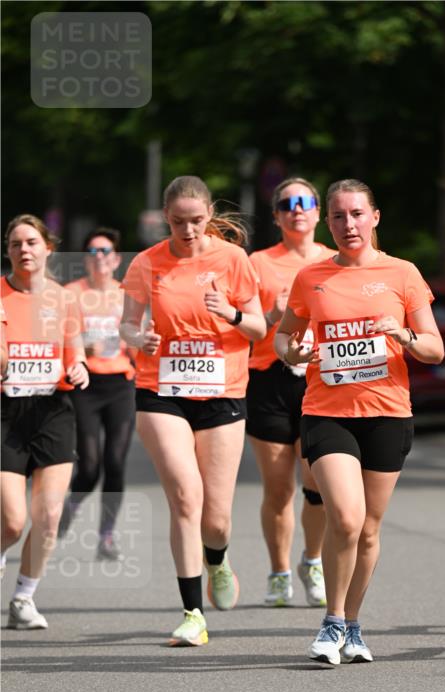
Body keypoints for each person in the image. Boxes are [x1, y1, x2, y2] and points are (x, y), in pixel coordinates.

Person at [275, 178, 444, 665]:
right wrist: (296, 352)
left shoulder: (403, 273)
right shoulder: (311, 277)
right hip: (327, 412)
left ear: (374, 217)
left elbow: (433, 349)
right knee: (345, 518)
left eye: (356, 214)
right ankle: (331, 621)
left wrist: (405, 334)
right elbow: (284, 338)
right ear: (328, 222)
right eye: (338, 216)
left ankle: (352, 623)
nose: (347, 224)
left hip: (388, 414)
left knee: (369, 529)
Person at [120, 175, 265, 646]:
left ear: (209, 216)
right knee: (185, 495)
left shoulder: (233, 259)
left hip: (223, 392)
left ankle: (217, 560)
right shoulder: (147, 263)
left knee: (216, 518)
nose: (188, 230)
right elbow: (126, 324)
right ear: (166, 218)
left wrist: (231, 313)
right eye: (179, 222)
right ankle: (192, 613)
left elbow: (260, 330)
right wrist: (137, 338)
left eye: (197, 221)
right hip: (161, 388)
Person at [248, 177, 333, 607]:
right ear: (277, 214)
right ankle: (279, 572)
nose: (297, 209)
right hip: (269, 377)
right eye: (287, 203)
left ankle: (312, 559)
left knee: (317, 481)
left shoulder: (336, 261)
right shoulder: (259, 263)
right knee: (279, 487)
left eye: (305, 202)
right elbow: (243, 328)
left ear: (318, 211)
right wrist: (274, 314)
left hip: (321, 376)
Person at [1, 214, 89, 628]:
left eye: (32, 242)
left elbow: (76, 351)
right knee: (12, 520)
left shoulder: (63, 298)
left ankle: (23, 598)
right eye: (16, 243)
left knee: (49, 515)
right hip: (6, 412)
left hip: (53, 409)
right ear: (8, 251)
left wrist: (81, 369)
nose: (24, 250)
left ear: (48, 248)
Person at [58, 227, 135, 560]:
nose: (99, 258)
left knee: (115, 462)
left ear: (116, 259)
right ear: (85, 261)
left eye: (105, 252)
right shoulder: (71, 294)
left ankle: (106, 536)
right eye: (92, 252)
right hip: (85, 386)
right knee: (89, 466)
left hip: (121, 384)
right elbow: (57, 339)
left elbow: (140, 339)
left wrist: (135, 342)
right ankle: (69, 508)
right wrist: (80, 348)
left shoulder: (128, 293)